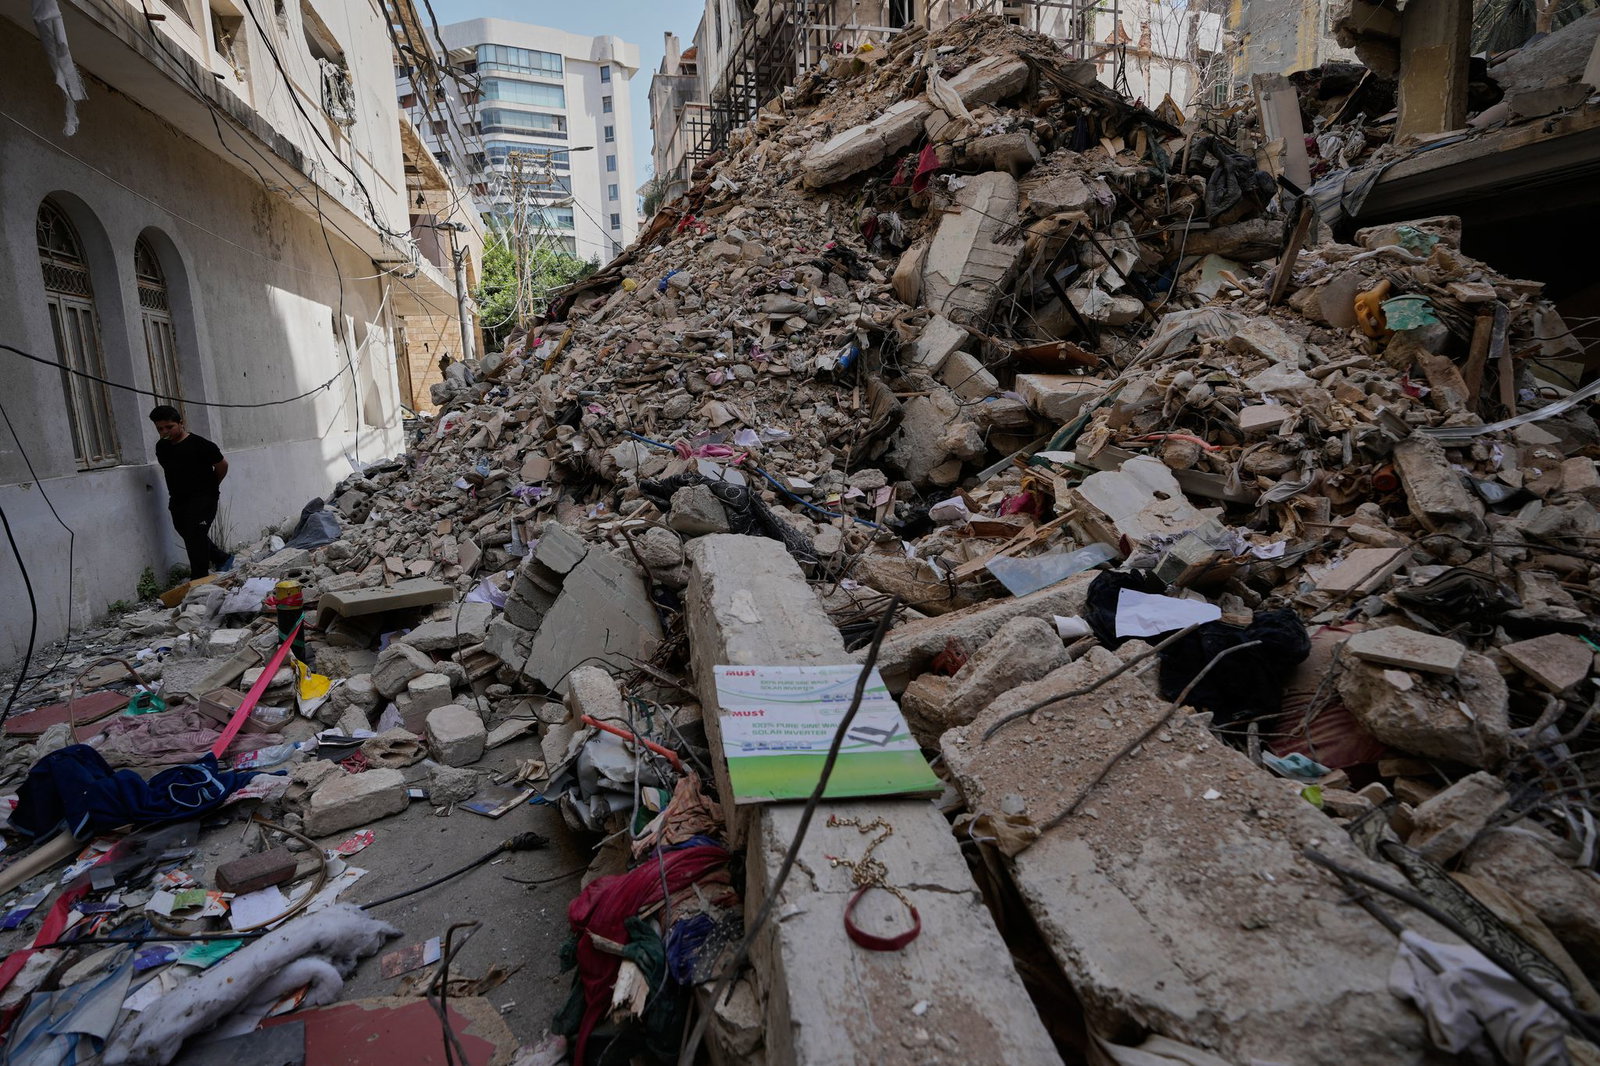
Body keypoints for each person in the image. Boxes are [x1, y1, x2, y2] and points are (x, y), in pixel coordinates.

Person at [148, 405, 232, 579]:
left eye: (169, 427)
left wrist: (211, 486)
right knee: (188, 533)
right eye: (160, 428)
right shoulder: (162, 447)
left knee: (195, 535)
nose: (165, 432)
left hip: (204, 498)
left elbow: (222, 465)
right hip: (178, 499)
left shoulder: (201, 445)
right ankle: (222, 558)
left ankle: (199, 579)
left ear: (181, 423)